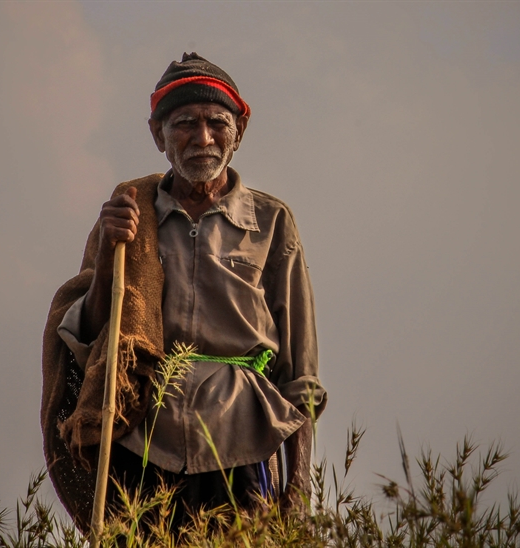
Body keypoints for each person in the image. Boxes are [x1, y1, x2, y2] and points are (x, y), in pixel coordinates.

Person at [40, 52, 327, 533]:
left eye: (217, 122)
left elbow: (300, 379)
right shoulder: (128, 214)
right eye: (184, 124)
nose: (203, 137)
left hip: (243, 446)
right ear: (158, 135)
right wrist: (112, 254)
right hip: (142, 444)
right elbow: (87, 338)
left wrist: (297, 495)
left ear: (240, 130)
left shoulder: (272, 223)